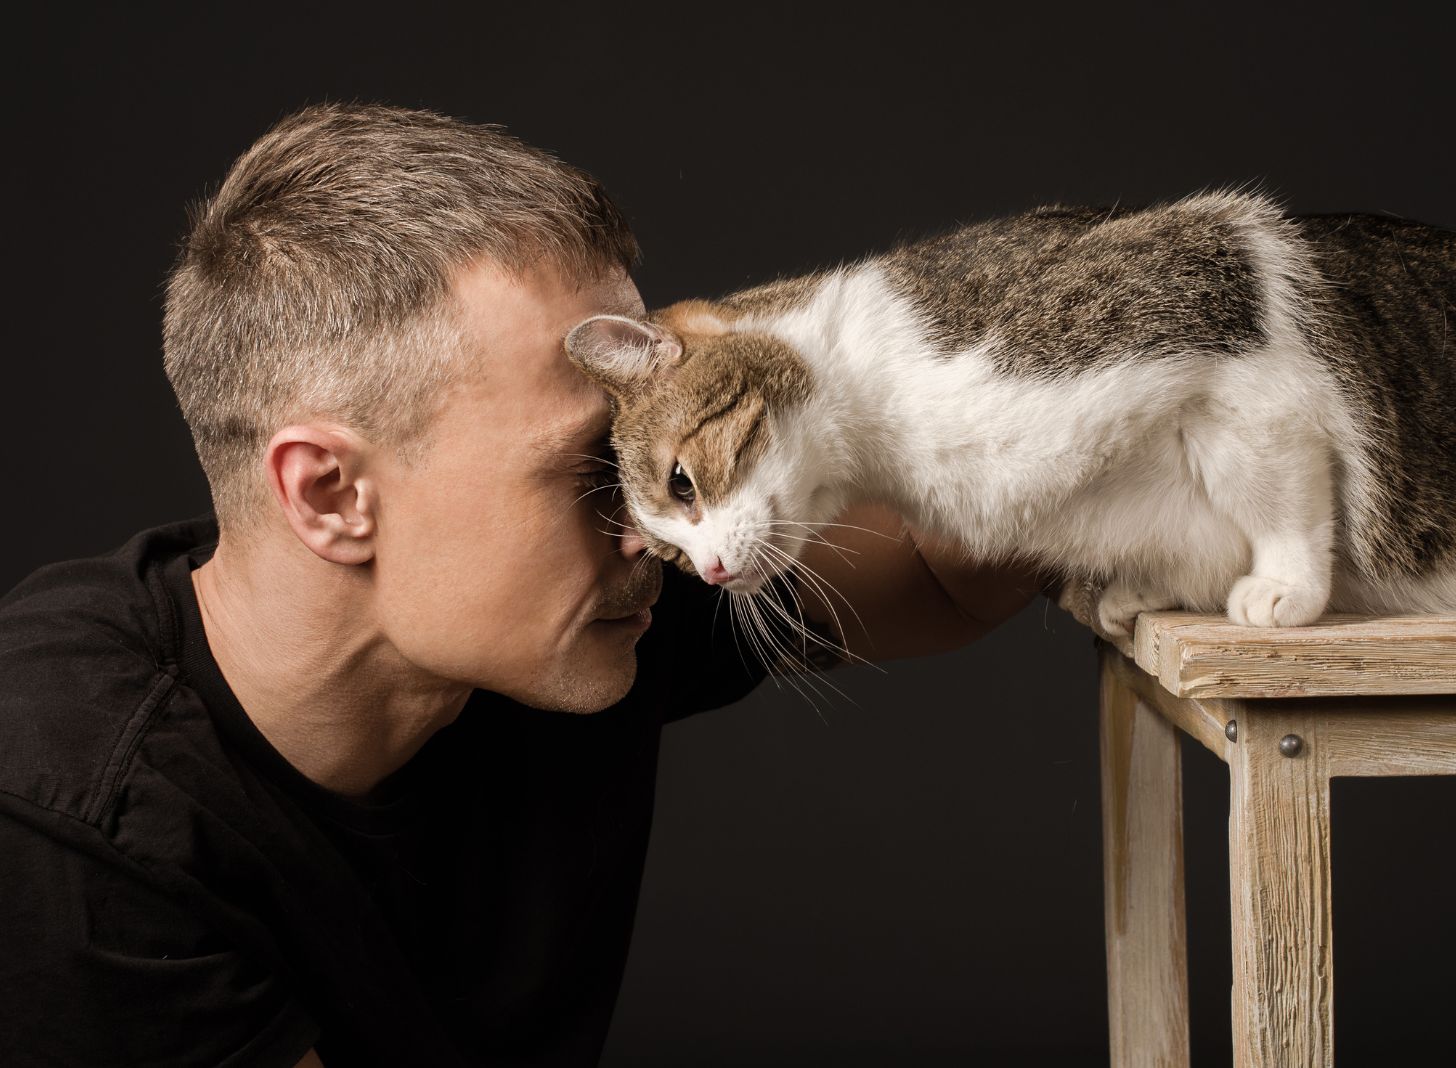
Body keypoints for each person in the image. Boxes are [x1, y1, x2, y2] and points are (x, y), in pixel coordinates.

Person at [0, 103, 1049, 1067]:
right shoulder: (66, 831)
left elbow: (948, 563)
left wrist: (1117, 353)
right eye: (596, 471)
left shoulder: (566, 604)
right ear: (329, 495)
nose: (654, 531)